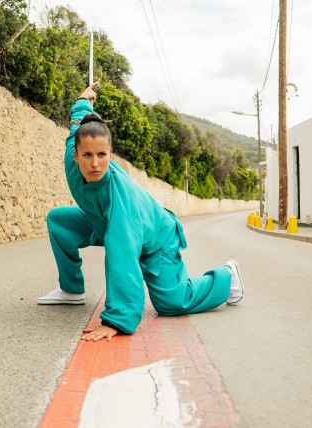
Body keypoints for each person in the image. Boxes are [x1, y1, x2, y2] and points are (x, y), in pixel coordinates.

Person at [38, 82, 244, 342]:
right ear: (75, 155)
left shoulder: (120, 199)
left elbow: (122, 256)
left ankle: (227, 277)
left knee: (172, 303)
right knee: (59, 221)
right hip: (101, 222)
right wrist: (84, 99)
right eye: (87, 155)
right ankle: (71, 290)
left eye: (102, 154)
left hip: (156, 238)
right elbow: (78, 121)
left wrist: (117, 319)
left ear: (111, 154)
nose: (94, 162)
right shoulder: (72, 161)